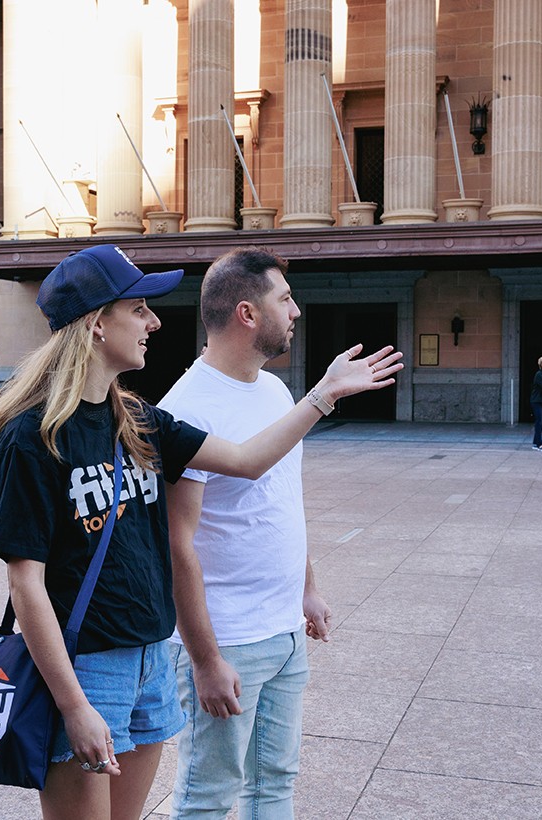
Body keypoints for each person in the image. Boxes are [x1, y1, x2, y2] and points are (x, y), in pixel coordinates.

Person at [0, 244, 402, 820]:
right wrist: (73, 705)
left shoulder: (138, 420)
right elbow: (25, 583)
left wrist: (322, 396)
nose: (154, 321)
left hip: (148, 655)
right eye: (139, 309)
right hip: (87, 665)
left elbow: (249, 461)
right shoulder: (34, 436)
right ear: (97, 324)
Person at [156, 247, 332, 818]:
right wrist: (205, 660)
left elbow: (282, 500)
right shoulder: (185, 409)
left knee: (275, 783)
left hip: (284, 632)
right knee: (207, 796)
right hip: (227, 639)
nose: (296, 311)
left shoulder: (275, 391)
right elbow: (176, 544)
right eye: (285, 299)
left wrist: (306, 588)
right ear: (247, 313)